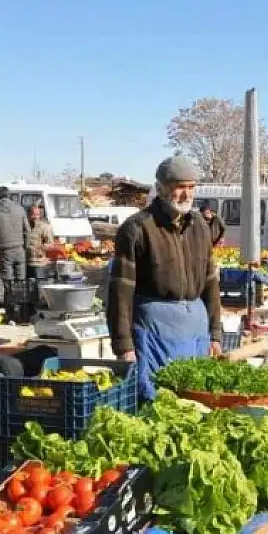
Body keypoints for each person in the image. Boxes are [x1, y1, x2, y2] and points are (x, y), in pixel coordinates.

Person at [107, 156, 222, 400]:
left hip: (195, 332)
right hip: (154, 334)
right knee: (156, 400)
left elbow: (211, 284)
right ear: (161, 188)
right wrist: (124, 345)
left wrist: (216, 333)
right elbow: (120, 291)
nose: (186, 194)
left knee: (195, 399)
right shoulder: (137, 229)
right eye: (180, 187)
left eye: (191, 187)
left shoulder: (200, 226)